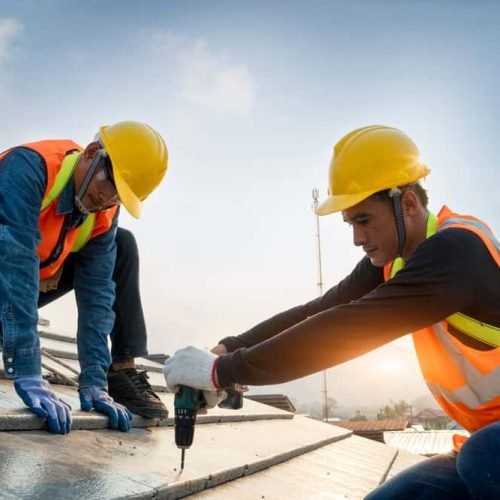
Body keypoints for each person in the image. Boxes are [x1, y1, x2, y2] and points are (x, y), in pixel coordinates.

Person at [164, 125, 500, 499]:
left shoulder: (456, 250)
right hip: (488, 441)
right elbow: (321, 310)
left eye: (364, 220)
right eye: (350, 223)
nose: (356, 239)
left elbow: (348, 328)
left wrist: (220, 373)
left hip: (490, 449)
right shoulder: (395, 261)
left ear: (407, 203)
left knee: (483, 458)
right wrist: (227, 349)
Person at [0, 120, 169, 434]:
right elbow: (15, 263)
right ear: (92, 153)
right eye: (110, 186)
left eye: (119, 197)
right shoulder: (29, 168)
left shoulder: (104, 212)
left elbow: (98, 296)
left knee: (122, 245)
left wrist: (95, 378)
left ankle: (120, 371)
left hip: (22, 287)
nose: (107, 201)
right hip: (8, 275)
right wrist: (26, 367)